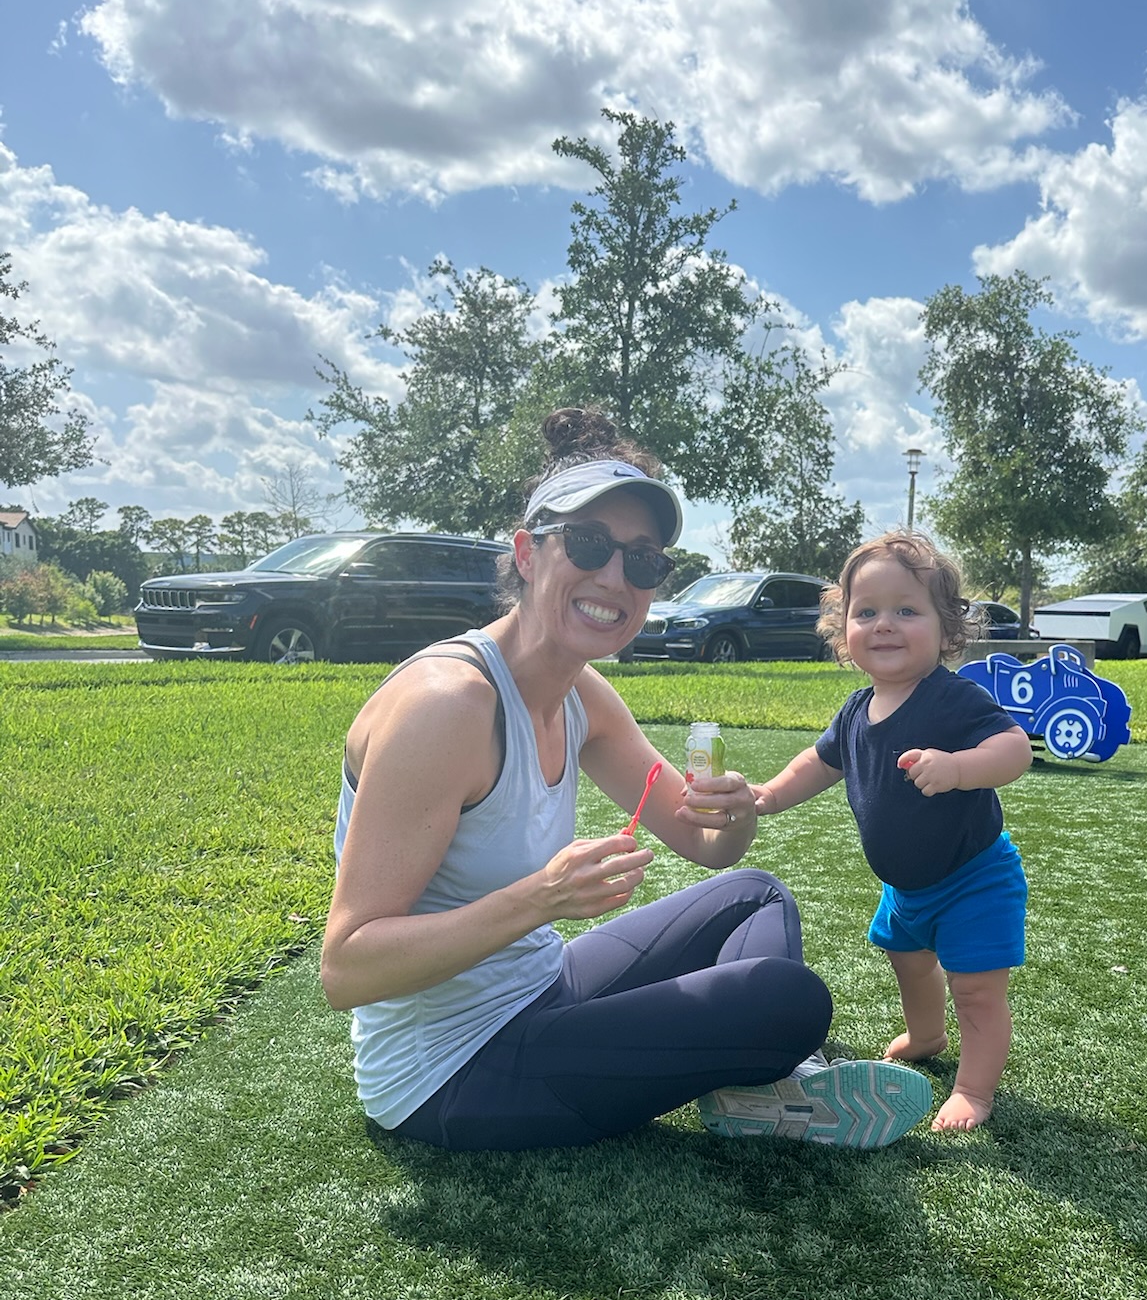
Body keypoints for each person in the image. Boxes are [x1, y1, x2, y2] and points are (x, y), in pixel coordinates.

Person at [322, 408, 932, 1153]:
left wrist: (733, 811)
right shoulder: (447, 706)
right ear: (527, 553)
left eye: (644, 561)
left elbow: (709, 848)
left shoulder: (580, 695)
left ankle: (765, 1091)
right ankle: (773, 1081)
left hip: (543, 988)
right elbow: (347, 968)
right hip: (449, 1071)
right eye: (588, 544)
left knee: (755, 897)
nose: (615, 577)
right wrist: (540, 899)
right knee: (787, 1000)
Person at [748, 531, 1032, 1131]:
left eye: (907, 610)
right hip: (905, 888)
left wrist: (957, 768)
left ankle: (975, 1091)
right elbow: (819, 763)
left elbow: (1013, 749)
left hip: (973, 877)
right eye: (866, 612)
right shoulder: (855, 710)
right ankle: (927, 1035)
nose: (884, 624)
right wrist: (769, 795)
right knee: (908, 962)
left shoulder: (951, 699)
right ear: (843, 630)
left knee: (977, 991)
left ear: (947, 627)